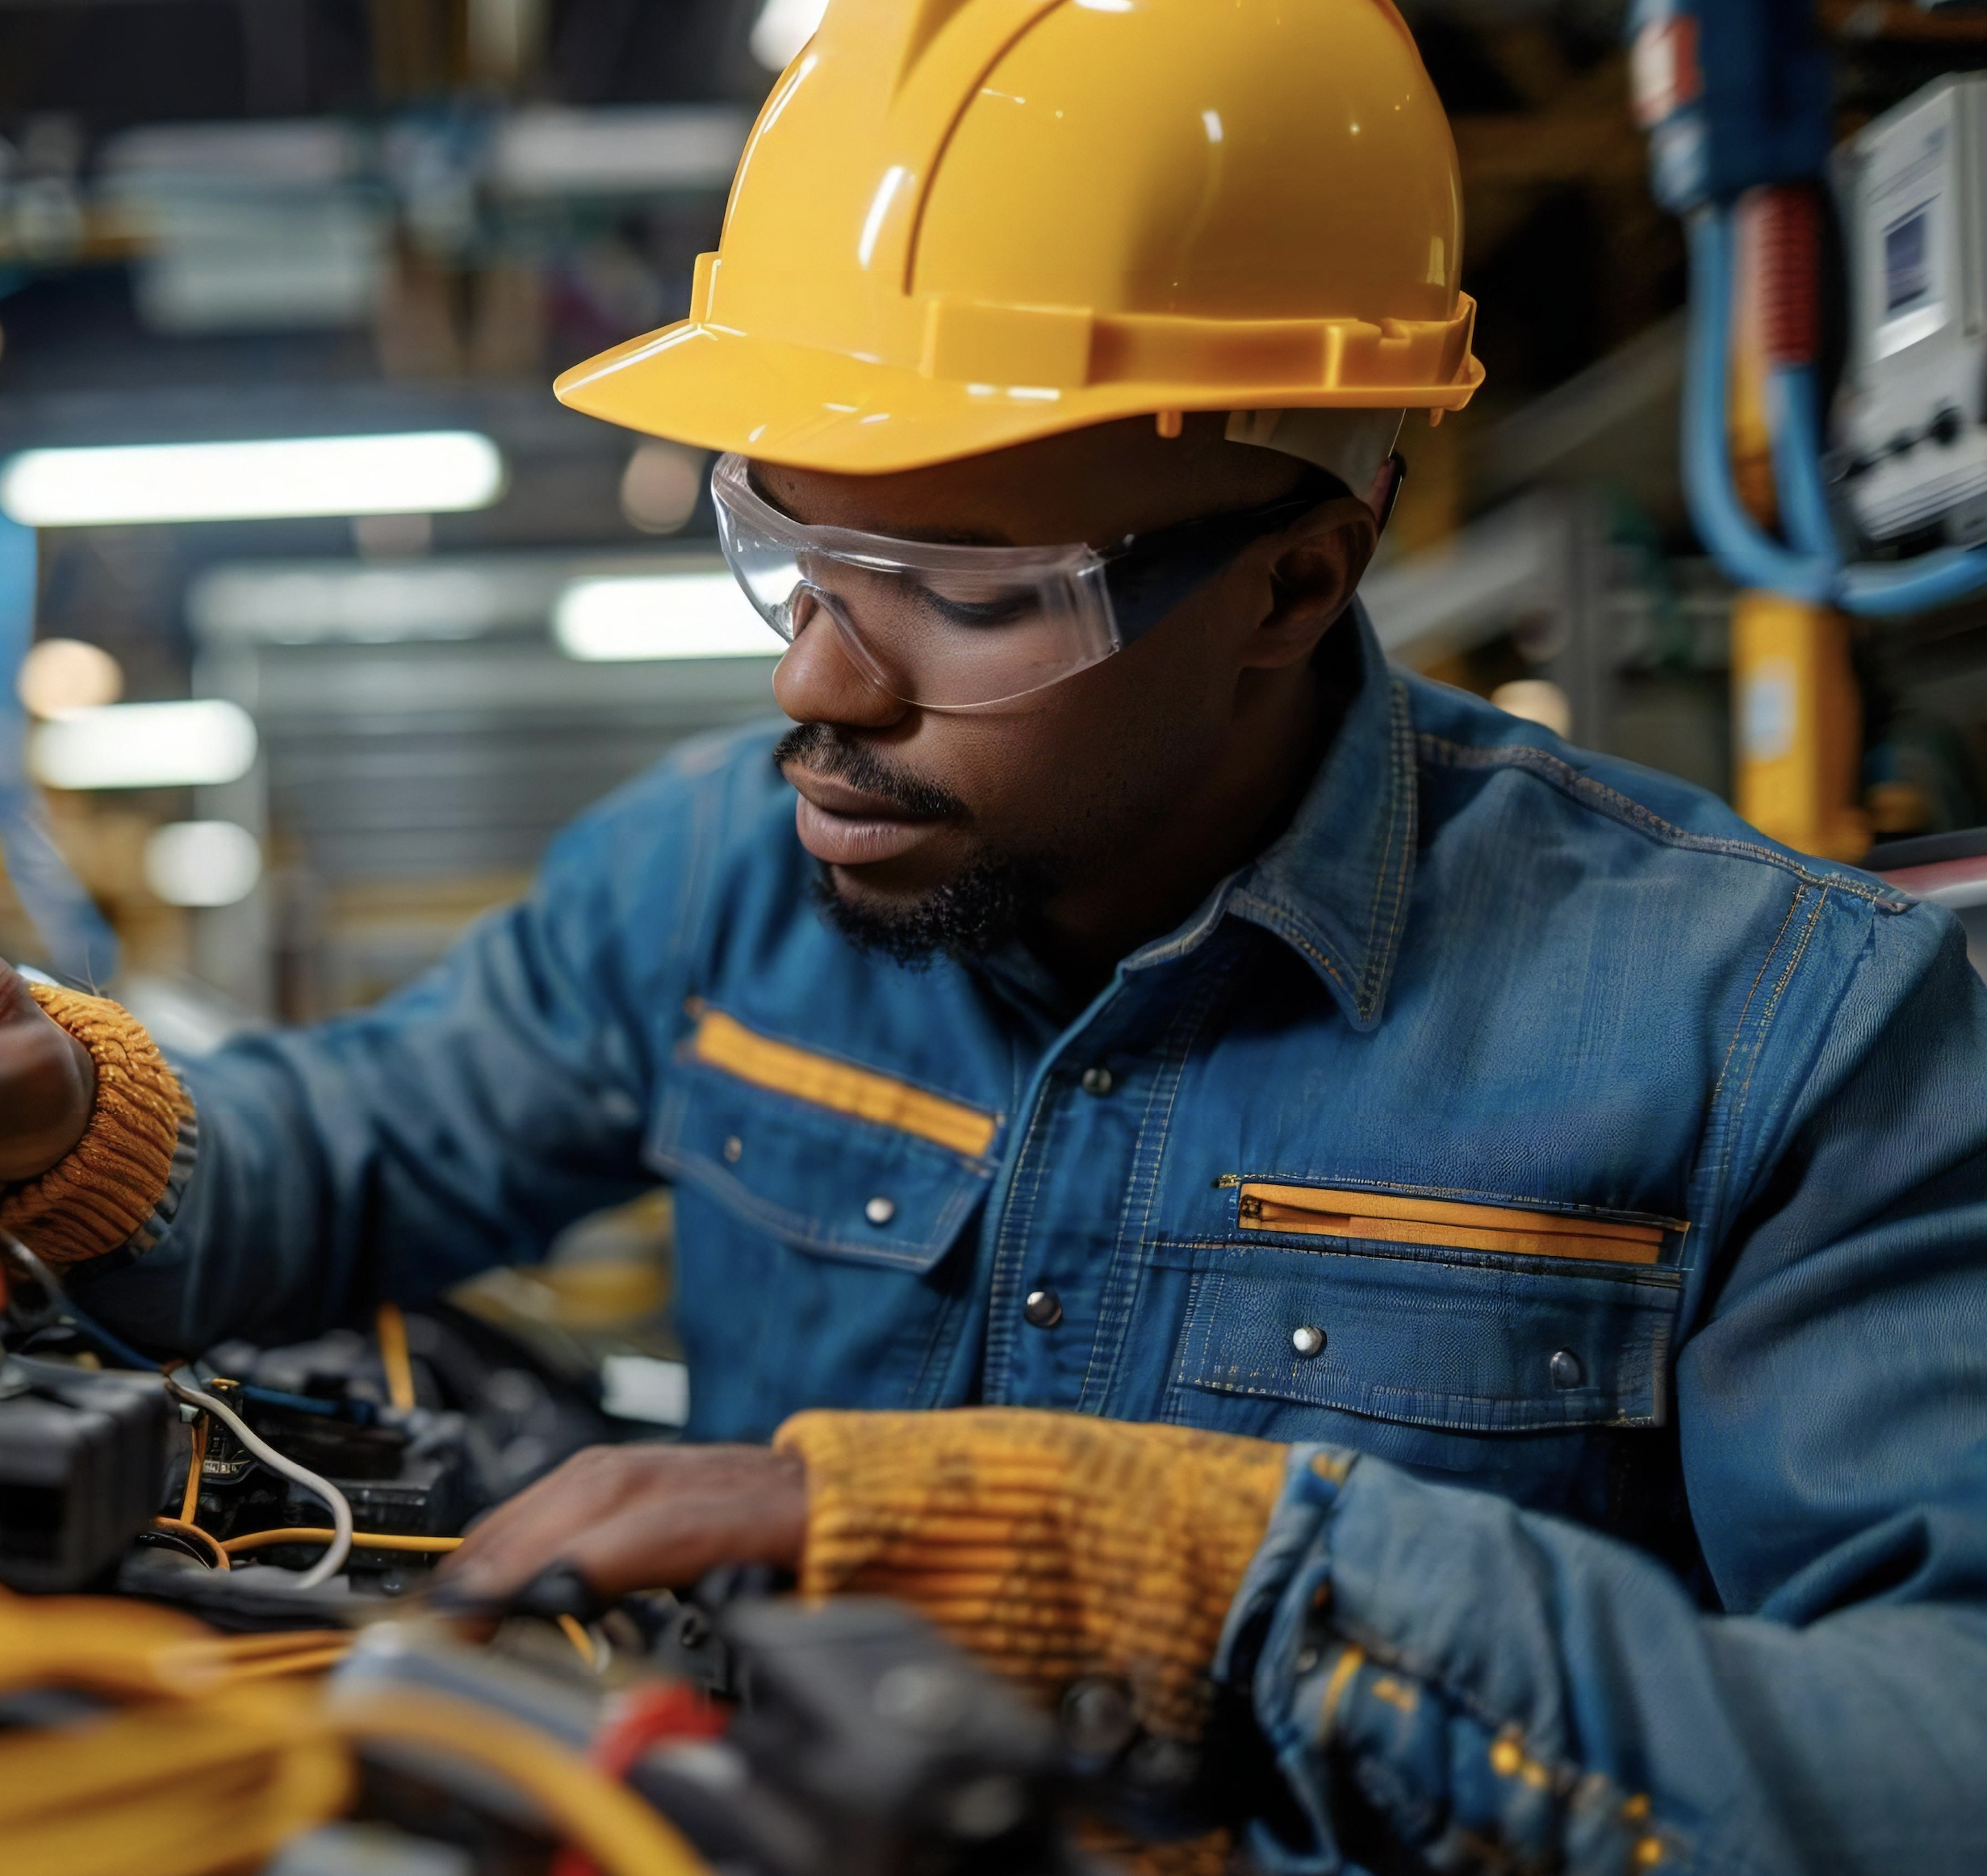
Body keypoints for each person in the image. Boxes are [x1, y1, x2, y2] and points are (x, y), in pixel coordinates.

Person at [4, 1, 1986, 1866]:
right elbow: (360, 1145)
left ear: (1295, 581)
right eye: (778, 544)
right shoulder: (709, 874)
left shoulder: (1785, 1034)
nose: (814, 686)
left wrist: (1211, 1580)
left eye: (961, 590)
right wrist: (70, 1110)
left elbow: (1937, 1755)